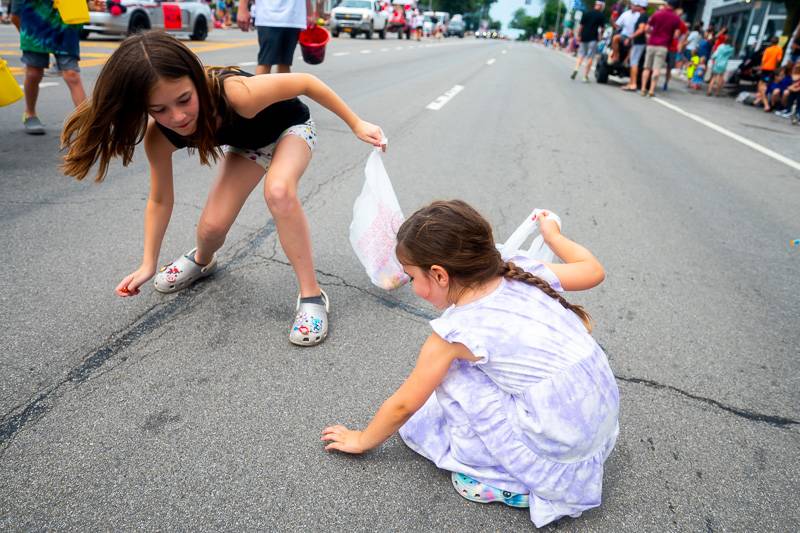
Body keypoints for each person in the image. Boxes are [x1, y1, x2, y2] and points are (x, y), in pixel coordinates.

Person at [61, 32, 385, 346]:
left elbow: (306, 83)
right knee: (212, 227)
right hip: (249, 146)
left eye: (184, 99)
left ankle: (312, 295)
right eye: (159, 110)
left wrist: (357, 123)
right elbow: (160, 200)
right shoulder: (159, 137)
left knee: (278, 191)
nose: (177, 116)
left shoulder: (237, 93)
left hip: (291, 129)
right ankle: (202, 260)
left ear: (195, 80)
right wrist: (148, 262)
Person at [322, 200, 619, 529]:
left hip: (560, 439)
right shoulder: (519, 268)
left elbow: (404, 405)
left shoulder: (457, 333)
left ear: (439, 274)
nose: (412, 286)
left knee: (454, 374)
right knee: (472, 364)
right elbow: (593, 270)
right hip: (596, 414)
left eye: (411, 277)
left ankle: (503, 481)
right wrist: (553, 236)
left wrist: (362, 439)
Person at [17, 0, 86, 134]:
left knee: (72, 74)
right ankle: (30, 114)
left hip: (65, 19)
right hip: (35, 17)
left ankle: (88, 122)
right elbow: (15, 14)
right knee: (34, 73)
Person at [237, 0, 324, 75]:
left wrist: (309, 14)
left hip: (294, 18)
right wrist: (242, 8)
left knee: (285, 63)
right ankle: (256, 94)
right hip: (269, 16)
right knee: (266, 62)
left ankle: (283, 94)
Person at [641, 0, 683, 97]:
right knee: (657, 69)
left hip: (651, 44)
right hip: (663, 46)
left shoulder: (657, 14)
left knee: (647, 68)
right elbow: (676, 35)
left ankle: (643, 89)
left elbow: (647, 28)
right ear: (675, 8)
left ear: (667, 5)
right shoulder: (676, 19)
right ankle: (651, 90)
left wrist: (651, 34)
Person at [571, 1, 606, 82]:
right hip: (593, 38)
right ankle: (585, 76)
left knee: (581, 54)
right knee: (590, 57)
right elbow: (602, 28)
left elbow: (581, 26)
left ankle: (576, 69)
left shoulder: (587, 13)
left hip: (584, 36)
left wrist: (579, 35)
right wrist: (600, 35)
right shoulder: (601, 15)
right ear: (601, 6)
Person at [621, 0, 648, 91]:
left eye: (637, 5)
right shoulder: (642, 16)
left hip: (639, 42)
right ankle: (631, 83)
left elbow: (641, 30)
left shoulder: (643, 16)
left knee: (634, 63)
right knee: (633, 62)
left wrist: (630, 37)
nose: (634, 7)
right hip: (639, 43)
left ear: (641, 7)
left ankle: (633, 84)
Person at [757, 36, 784, 112]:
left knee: (762, 86)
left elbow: (763, 60)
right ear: (778, 42)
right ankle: (760, 100)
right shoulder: (779, 49)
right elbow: (778, 60)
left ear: (771, 42)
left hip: (765, 69)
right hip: (772, 70)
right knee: (762, 85)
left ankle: (766, 105)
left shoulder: (768, 49)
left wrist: (761, 67)